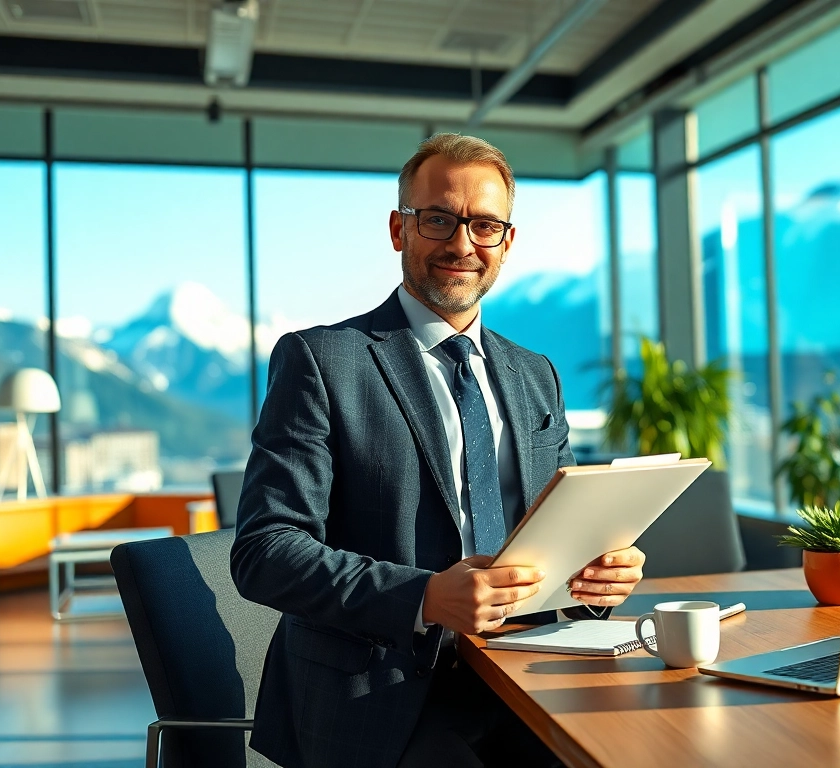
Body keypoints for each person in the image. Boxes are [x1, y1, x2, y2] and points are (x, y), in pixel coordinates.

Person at [231, 133, 647, 768]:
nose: (461, 244)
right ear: (399, 230)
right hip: (381, 694)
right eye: (438, 220)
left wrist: (594, 575)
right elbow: (266, 551)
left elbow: (549, 531)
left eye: (484, 225)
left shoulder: (536, 374)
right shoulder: (321, 361)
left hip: (530, 668)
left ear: (507, 242)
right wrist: (425, 596)